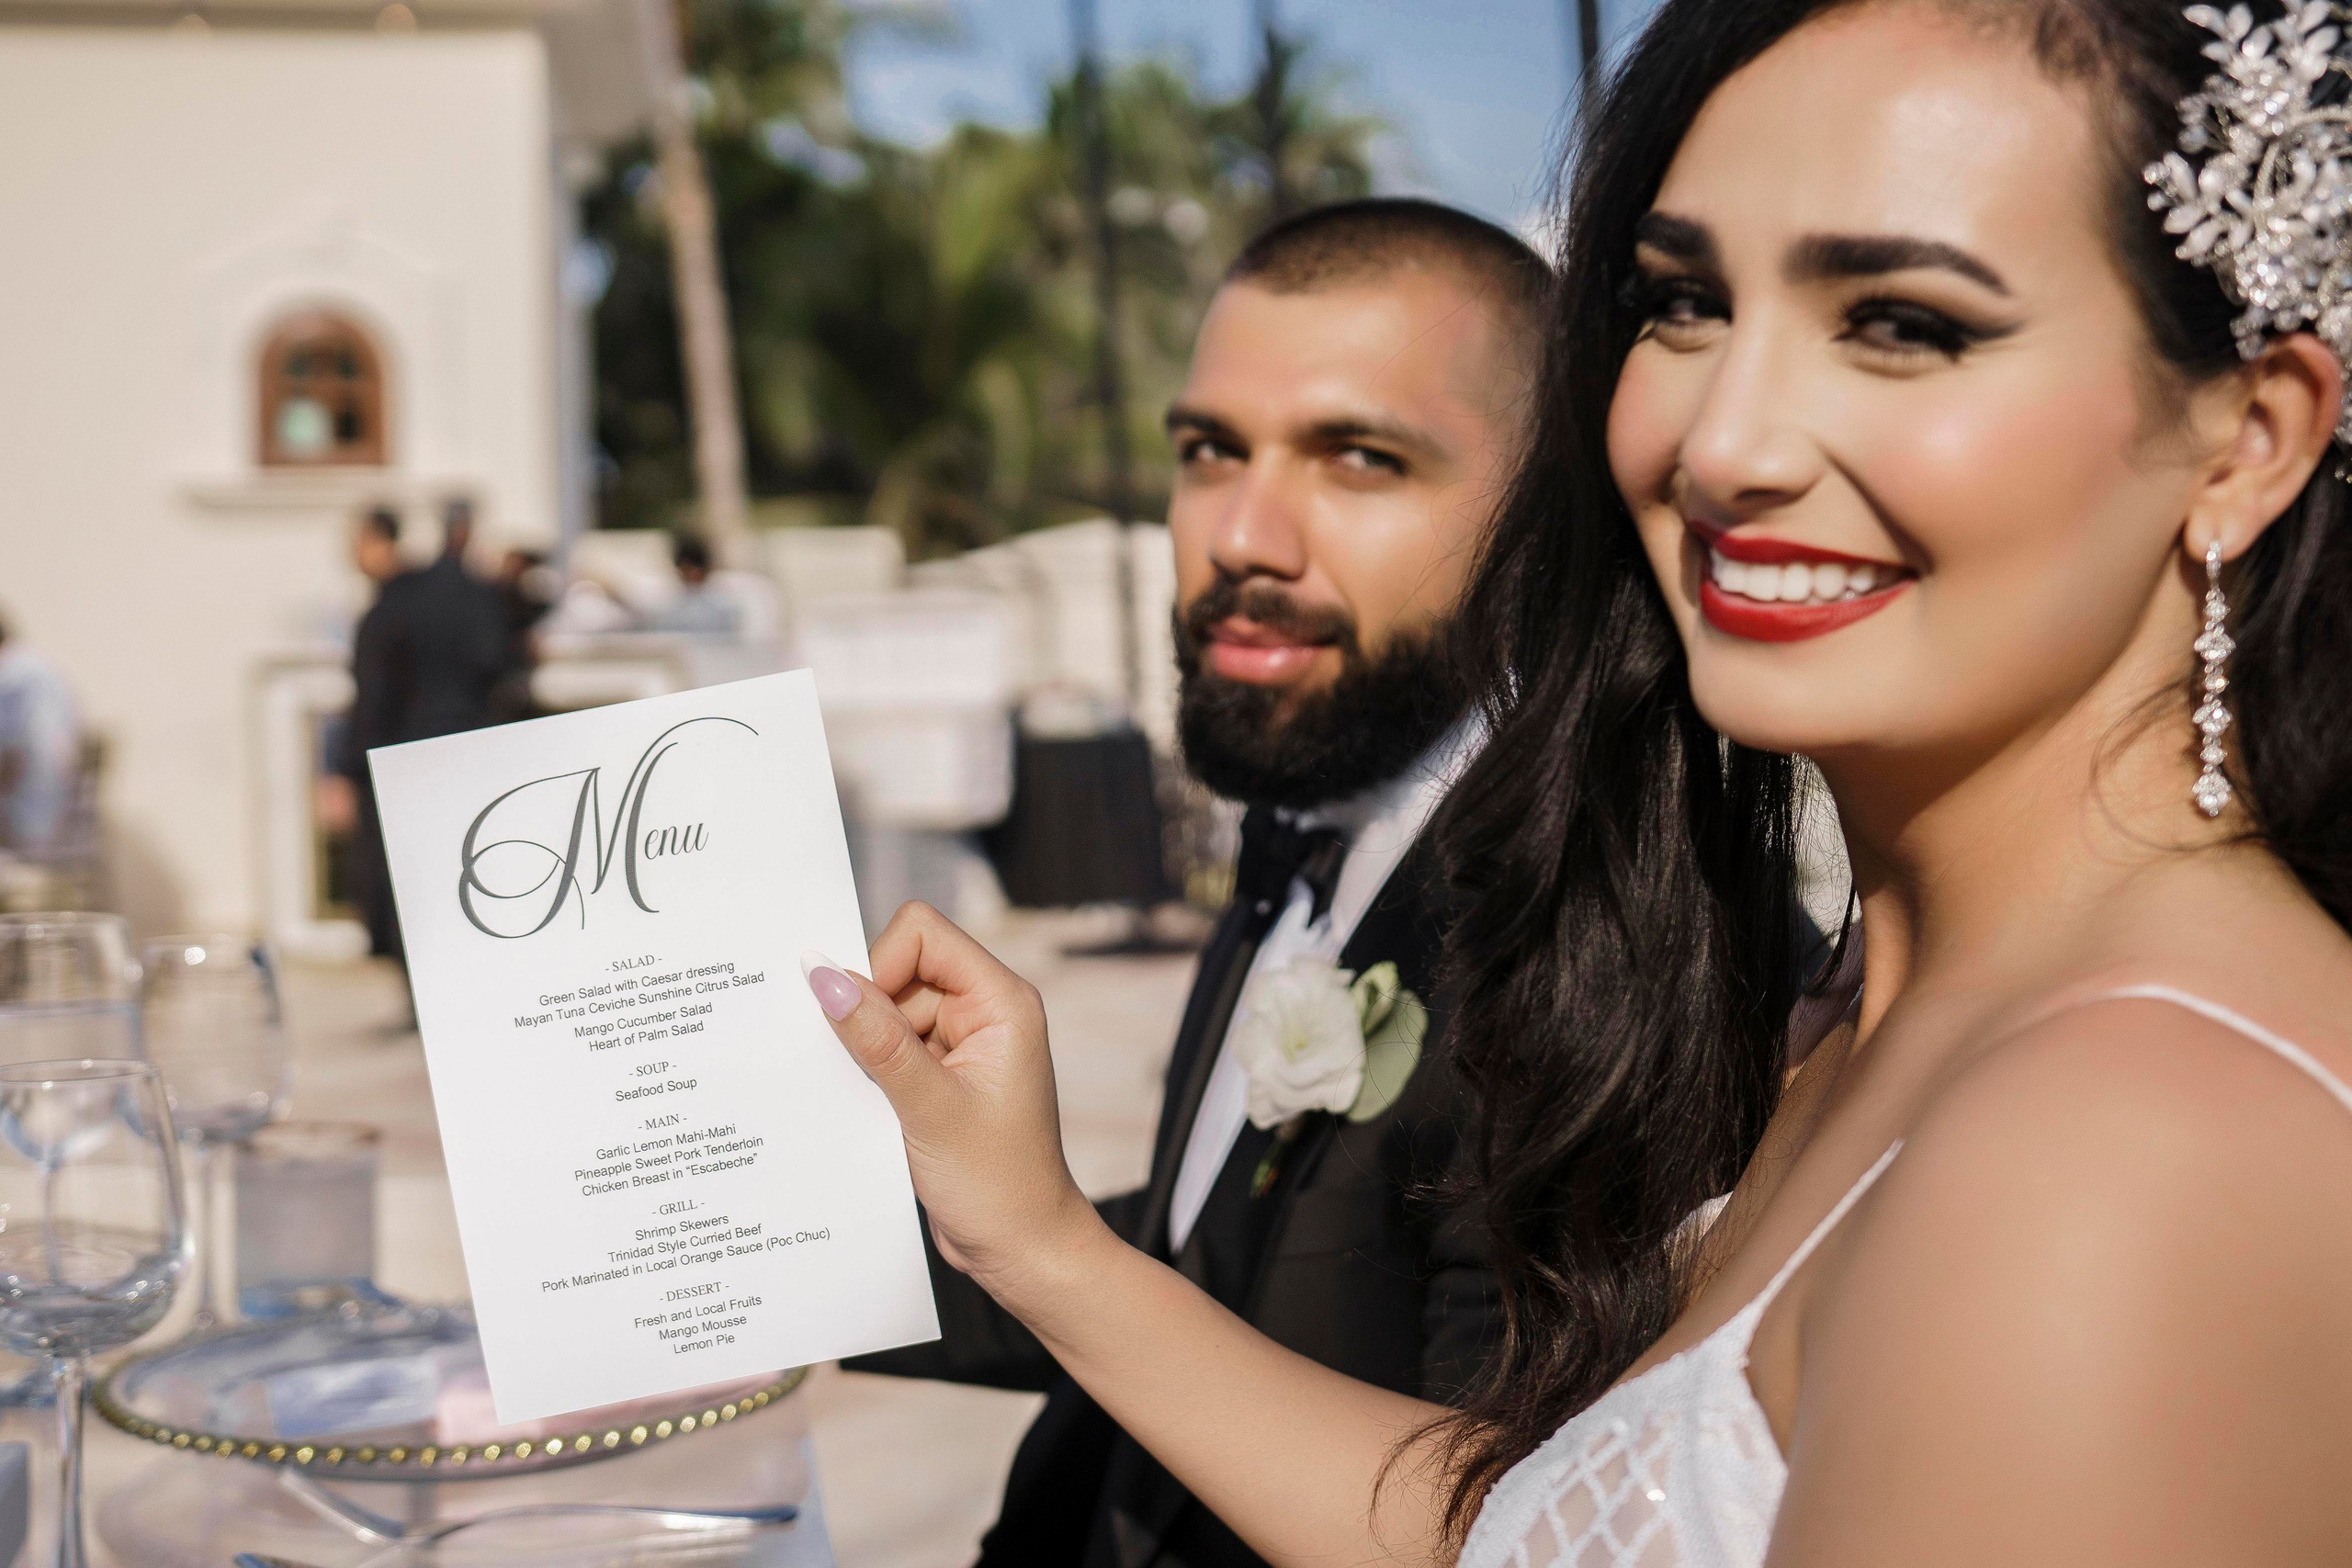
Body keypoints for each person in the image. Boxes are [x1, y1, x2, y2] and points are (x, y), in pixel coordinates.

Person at [799, 2, 2352, 1563]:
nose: (1725, 441)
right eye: (1680, 304)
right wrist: (1036, 1235)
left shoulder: (2116, 1150)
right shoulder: (1867, 1002)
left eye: (1899, 321)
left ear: (2246, 439)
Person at [847, 197, 1552, 1568]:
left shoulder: (1587, 948)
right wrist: (715, 1277)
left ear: (1548, 512)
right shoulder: (1313, 833)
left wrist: (1047, 1243)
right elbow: (1196, 1262)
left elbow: (1502, 1520)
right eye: (1207, 450)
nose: (1243, 535)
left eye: (1359, 457)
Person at [327, 499, 509, 967]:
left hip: (403, 759)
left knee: (409, 891)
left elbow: (374, 698)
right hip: (468, 750)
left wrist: (346, 771)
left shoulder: (396, 605)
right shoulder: (467, 593)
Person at [0, 608, 81, 857]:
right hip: (61, 818)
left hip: (27, 820)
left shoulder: (12, 678)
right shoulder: (40, 669)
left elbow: (13, 758)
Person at [645, 536, 743, 636]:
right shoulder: (670, 602)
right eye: (682, 570)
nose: (686, 574)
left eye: (689, 569)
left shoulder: (722, 603)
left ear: (701, 568)